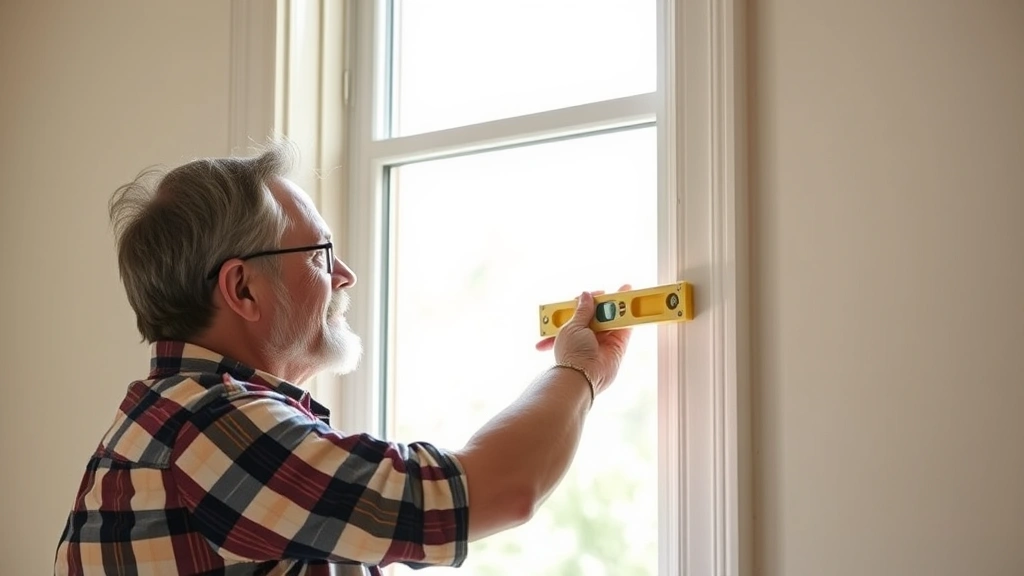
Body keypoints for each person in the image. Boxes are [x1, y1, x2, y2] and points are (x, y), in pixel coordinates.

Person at [53, 139, 634, 576]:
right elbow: (495, 490)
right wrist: (579, 371)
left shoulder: (185, 419)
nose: (345, 275)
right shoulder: (212, 428)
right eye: (320, 254)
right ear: (242, 289)